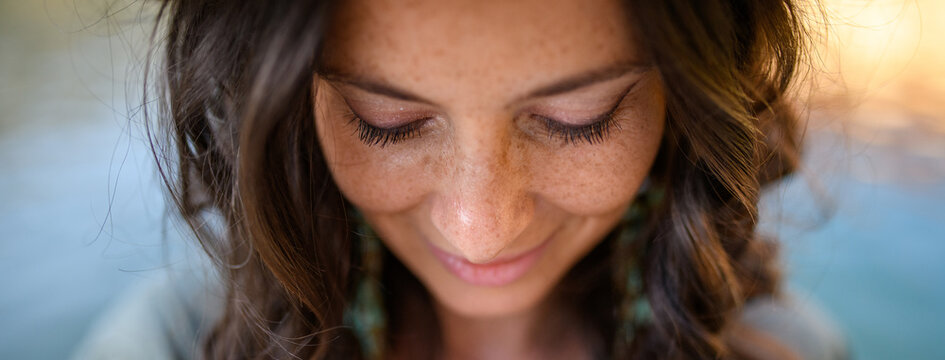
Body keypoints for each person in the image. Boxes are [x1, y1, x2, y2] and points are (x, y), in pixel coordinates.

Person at [73, 0, 849, 359]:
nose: (481, 226)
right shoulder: (175, 345)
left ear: (687, 96)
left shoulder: (782, 351)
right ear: (280, 107)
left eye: (579, 119)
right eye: (387, 122)